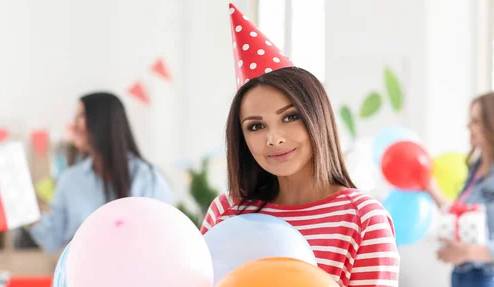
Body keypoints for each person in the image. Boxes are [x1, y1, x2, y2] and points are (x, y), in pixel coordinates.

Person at [200, 4, 400, 287]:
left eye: (290, 117)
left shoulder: (363, 218)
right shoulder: (227, 210)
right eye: (256, 126)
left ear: (317, 119)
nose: (274, 138)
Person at [29, 92, 174, 254]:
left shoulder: (148, 178)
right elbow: (52, 240)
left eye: (81, 116)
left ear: (104, 121)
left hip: (136, 275)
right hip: (82, 276)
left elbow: (164, 237)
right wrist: (22, 209)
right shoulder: (70, 180)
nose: (74, 126)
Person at [426, 93, 494, 287]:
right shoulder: (476, 169)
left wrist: (465, 252)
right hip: (462, 275)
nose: (468, 127)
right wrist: (428, 187)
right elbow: (459, 211)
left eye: (475, 121)